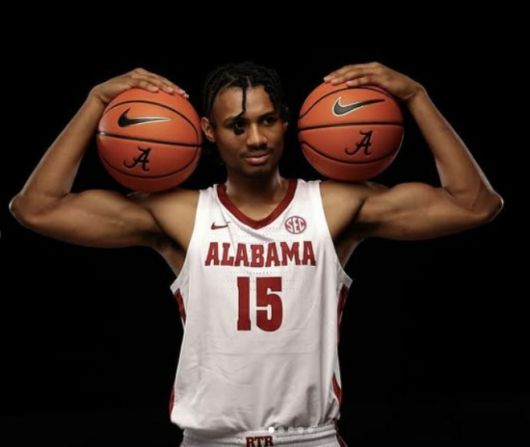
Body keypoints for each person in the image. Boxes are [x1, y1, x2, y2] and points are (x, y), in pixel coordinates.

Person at [9, 62, 503, 446]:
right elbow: (37, 208)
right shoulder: (181, 214)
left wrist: (416, 97)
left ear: (286, 121)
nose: (257, 138)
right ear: (208, 131)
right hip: (211, 439)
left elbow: (475, 204)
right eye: (238, 125)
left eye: (268, 120)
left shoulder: (333, 206)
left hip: (309, 438)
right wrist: (96, 102)